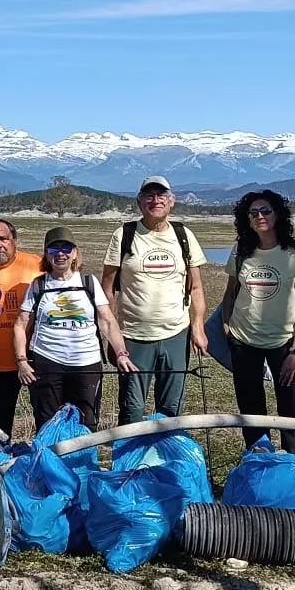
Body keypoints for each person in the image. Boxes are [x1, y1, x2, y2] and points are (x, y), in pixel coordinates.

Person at [101, 175, 209, 425]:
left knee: (172, 408)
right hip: (133, 337)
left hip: (176, 334)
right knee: (132, 409)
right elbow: (108, 290)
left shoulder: (184, 235)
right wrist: (111, 333)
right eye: (149, 195)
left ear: (172, 201)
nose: (155, 200)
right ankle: (130, 462)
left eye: (161, 195)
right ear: (139, 202)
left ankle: (166, 459)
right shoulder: (124, 234)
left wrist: (198, 326)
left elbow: (197, 287)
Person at [217, 191, 295, 458]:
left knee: (292, 412)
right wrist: (227, 326)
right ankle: (259, 462)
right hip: (243, 340)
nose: (260, 217)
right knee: (251, 410)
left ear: (278, 214)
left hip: (283, 344)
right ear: (246, 219)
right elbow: (230, 292)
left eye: (266, 211)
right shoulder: (241, 250)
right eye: (253, 213)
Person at [13, 227, 133, 429]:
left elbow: (108, 321)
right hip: (47, 363)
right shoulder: (38, 285)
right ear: (46, 254)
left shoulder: (89, 282)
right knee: (47, 424)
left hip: (86, 363)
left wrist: (121, 353)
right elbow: (20, 324)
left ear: (75, 253)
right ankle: (50, 459)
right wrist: (22, 361)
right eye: (53, 249)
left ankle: (83, 460)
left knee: (86, 423)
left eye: (66, 248)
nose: (60, 254)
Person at [0, 219, 43, 436]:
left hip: (36, 360)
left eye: (3, 238)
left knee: (45, 419)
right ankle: (1, 466)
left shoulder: (37, 265)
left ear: (14, 240)